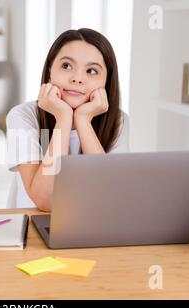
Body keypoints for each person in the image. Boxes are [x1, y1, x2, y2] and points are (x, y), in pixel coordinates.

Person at [7, 28, 129, 211]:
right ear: (50, 71)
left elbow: (108, 196)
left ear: (106, 81)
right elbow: (46, 201)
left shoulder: (119, 121)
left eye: (92, 71)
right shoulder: (23, 116)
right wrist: (63, 118)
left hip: (93, 225)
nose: (77, 79)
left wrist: (83, 120)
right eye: (66, 66)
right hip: (34, 225)